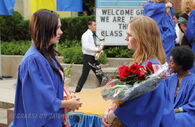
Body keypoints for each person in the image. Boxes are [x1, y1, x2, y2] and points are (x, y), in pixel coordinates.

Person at [13, 9, 82, 127]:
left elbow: (51, 86)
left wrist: (67, 96)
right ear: (45, 29)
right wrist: (67, 103)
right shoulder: (33, 60)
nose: (61, 32)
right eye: (57, 28)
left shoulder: (44, 55)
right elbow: (41, 99)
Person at [102, 16, 175, 127]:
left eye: (130, 35)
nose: (126, 38)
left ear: (142, 38)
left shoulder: (152, 68)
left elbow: (145, 104)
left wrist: (114, 114)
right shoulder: (144, 63)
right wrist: (113, 106)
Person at [165, 46, 195, 127]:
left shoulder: (193, 81)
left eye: (172, 63)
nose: (169, 65)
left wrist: (176, 110)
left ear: (181, 64)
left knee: (174, 119)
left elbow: (193, 105)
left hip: (187, 114)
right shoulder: (170, 79)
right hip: (170, 112)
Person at [75, 20, 104, 92]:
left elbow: (91, 46)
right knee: (84, 76)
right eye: (94, 25)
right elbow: (86, 47)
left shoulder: (92, 34)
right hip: (88, 58)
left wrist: (98, 47)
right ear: (89, 26)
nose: (96, 26)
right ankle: (77, 91)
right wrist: (97, 49)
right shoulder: (86, 35)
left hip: (93, 58)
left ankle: (107, 90)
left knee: (100, 74)